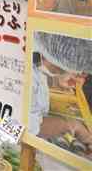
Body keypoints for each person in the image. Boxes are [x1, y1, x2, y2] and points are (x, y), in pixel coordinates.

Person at [29, 32, 92, 166]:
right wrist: (71, 126)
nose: (79, 76)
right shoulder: (24, 68)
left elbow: (38, 78)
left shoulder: (40, 58)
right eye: (78, 71)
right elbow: (29, 124)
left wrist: (55, 79)